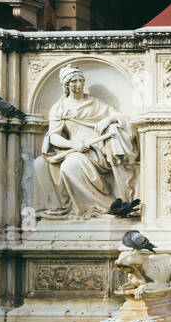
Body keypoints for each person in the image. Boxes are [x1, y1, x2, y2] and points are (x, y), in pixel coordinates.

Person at [34, 64, 138, 217]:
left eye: (81, 80)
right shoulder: (59, 107)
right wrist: (73, 145)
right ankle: (57, 207)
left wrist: (109, 119)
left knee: (70, 166)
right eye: (73, 81)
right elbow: (53, 136)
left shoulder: (96, 104)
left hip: (97, 151)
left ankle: (108, 206)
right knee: (39, 163)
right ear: (66, 85)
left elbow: (123, 119)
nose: (78, 85)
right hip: (73, 149)